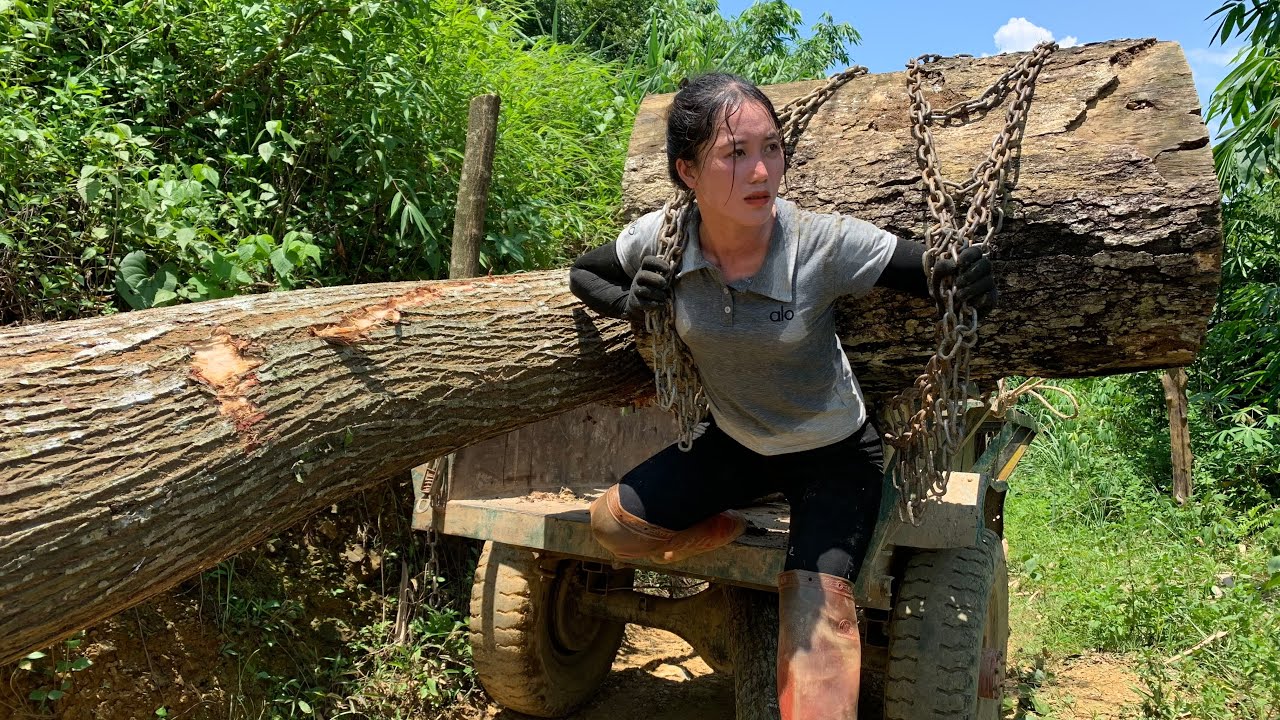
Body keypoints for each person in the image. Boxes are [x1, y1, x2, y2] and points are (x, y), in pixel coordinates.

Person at [568, 72, 995, 720]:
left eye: (771, 147)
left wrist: (965, 273)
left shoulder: (819, 242)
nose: (762, 170)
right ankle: (731, 528)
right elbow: (584, 275)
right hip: (737, 442)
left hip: (835, 456)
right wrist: (632, 303)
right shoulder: (664, 238)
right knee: (611, 525)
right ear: (687, 171)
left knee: (814, 654)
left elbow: (928, 268)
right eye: (735, 153)